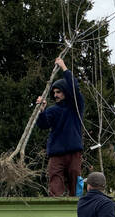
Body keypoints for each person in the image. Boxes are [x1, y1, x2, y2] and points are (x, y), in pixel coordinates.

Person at [36, 57, 85, 197]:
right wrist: (42, 110)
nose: (56, 95)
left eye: (59, 92)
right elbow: (43, 124)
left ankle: (76, 207)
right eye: (54, 93)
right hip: (56, 152)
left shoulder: (76, 106)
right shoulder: (52, 110)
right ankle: (55, 209)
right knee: (55, 183)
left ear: (66, 92)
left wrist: (64, 67)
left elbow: (74, 87)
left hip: (73, 151)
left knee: (74, 180)